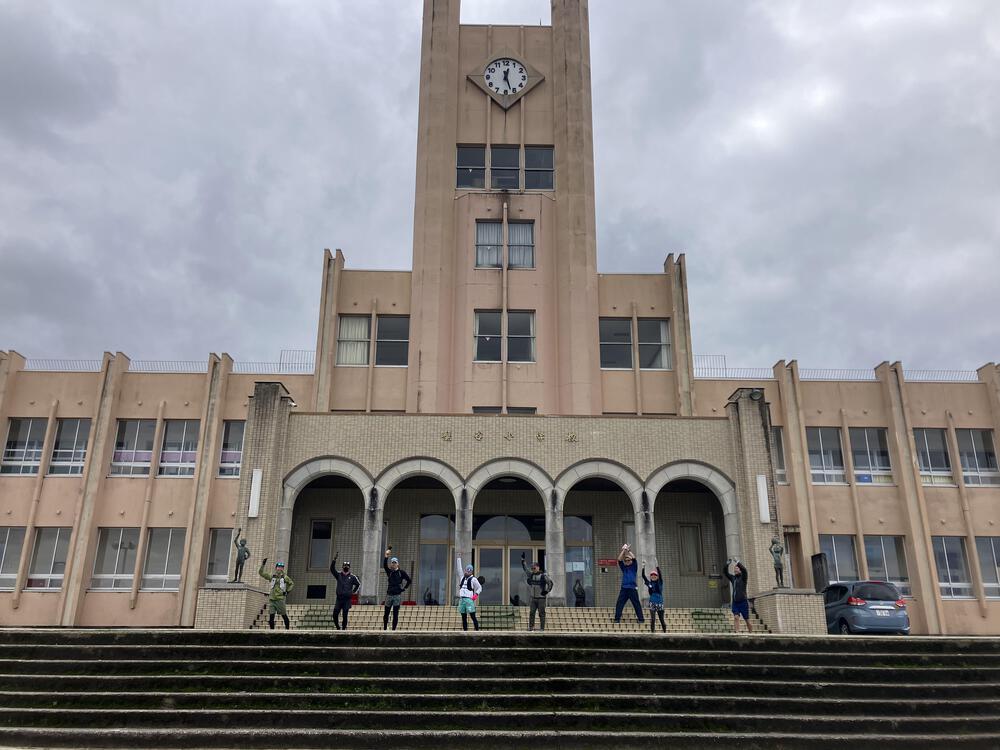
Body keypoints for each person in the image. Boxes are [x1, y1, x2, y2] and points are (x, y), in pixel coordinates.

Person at [258, 558, 293, 630]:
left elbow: (291, 583)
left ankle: (287, 630)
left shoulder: (285, 577)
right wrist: (263, 564)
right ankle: (272, 631)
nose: (279, 568)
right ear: (276, 568)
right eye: (278, 567)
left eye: (281, 567)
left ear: (283, 569)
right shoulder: (272, 576)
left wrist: (287, 591)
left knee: (284, 615)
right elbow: (261, 573)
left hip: (280, 599)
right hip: (272, 599)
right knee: (271, 616)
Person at [521, 553, 553, 632]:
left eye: (534, 568)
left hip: (541, 598)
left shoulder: (543, 576)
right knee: (531, 613)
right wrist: (523, 561)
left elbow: (550, 583)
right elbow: (525, 569)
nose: (533, 569)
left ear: (538, 567)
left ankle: (542, 628)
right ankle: (531, 627)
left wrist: (547, 591)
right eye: (532, 568)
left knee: (541, 613)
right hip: (533, 598)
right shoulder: (531, 575)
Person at [382, 547, 412, 631]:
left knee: (395, 614)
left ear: (397, 564)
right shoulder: (389, 572)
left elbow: (409, 580)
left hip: (397, 596)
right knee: (386, 613)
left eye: (395, 563)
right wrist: (386, 556)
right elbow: (384, 565)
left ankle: (393, 630)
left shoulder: (401, 572)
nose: (393, 564)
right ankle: (384, 629)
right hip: (389, 594)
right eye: (392, 563)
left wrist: (404, 589)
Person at [613, 543, 644, 624]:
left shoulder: (634, 567)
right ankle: (617, 619)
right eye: (626, 560)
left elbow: (634, 558)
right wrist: (623, 550)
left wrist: (628, 550)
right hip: (624, 588)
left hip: (632, 588)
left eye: (628, 560)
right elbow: (619, 560)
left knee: (636, 603)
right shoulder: (624, 568)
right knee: (619, 603)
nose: (627, 561)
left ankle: (641, 619)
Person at [330, 553, 361, 631]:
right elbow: (332, 569)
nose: (346, 567)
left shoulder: (352, 577)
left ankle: (343, 630)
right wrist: (334, 560)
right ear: (342, 567)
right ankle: (338, 627)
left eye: (347, 566)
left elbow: (358, 584)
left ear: (349, 567)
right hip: (339, 599)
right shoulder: (339, 575)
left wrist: (353, 592)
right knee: (335, 614)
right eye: (344, 566)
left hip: (347, 599)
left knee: (345, 615)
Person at [723, 558, 753, 633]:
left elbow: (745, 570)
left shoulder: (743, 577)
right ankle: (737, 632)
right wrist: (727, 565)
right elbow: (725, 573)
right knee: (736, 617)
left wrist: (738, 562)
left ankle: (751, 633)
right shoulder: (733, 578)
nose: (735, 569)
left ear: (740, 570)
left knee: (747, 620)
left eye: (737, 568)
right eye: (734, 568)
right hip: (735, 602)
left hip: (743, 602)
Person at [455, 555, 482, 631]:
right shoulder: (462, 577)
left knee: (473, 616)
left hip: (469, 600)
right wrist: (459, 558)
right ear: (465, 570)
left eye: (470, 570)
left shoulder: (474, 579)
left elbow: (480, 587)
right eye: (467, 570)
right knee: (463, 617)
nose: (468, 571)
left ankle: (477, 631)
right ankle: (465, 632)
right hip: (462, 600)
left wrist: (476, 594)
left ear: (472, 571)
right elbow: (459, 569)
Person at [641, 562, 666, 633]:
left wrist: (657, 566)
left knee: (662, 620)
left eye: (655, 575)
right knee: (652, 619)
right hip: (652, 603)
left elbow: (660, 575)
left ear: (657, 576)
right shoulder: (649, 583)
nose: (653, 576)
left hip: (659, 603)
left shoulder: (659, 582)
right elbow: (643, 576)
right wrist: (643, 567)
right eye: (652, 575)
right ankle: (652, 633)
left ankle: (665, 633)